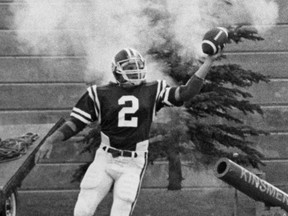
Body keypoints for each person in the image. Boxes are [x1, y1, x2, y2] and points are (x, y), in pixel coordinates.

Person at [35, 47, 221, 216]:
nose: (135, 70)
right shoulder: (99, 93)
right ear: (117, 70)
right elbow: (76, 123)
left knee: (121, 211)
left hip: (133, 161)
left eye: (137, 66)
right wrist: (51, 139)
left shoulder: (153, 89)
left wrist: (208, 62)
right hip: (105, 158)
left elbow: (186, 93)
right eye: (129, 67)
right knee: (83, 209)